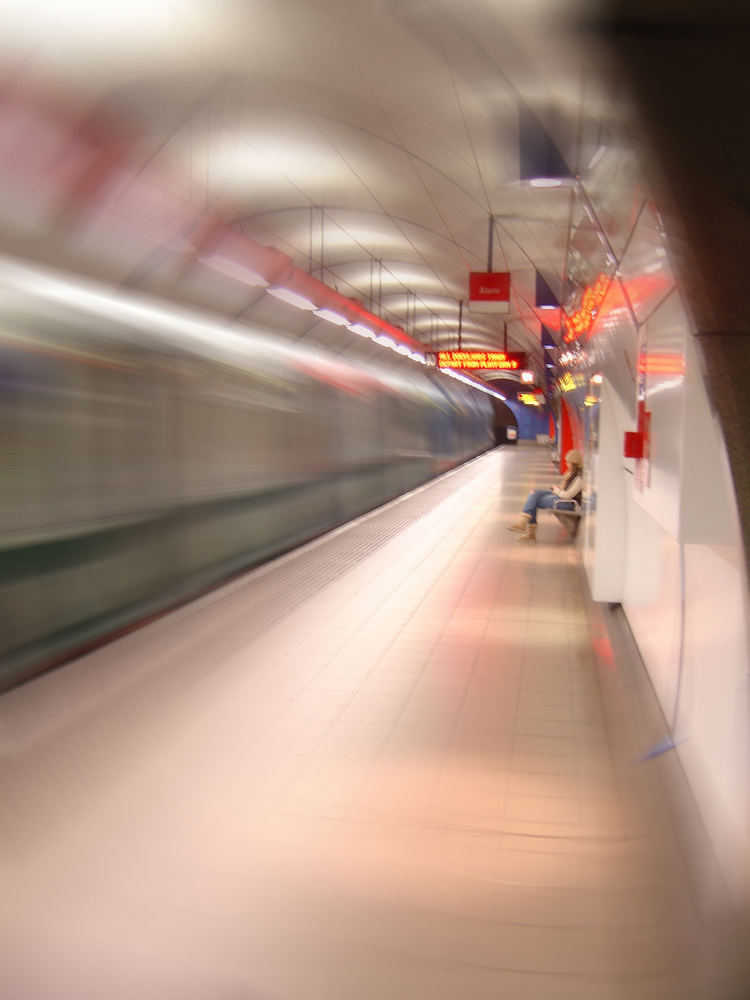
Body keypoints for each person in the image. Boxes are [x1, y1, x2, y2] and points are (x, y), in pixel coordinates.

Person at [507, 449, 583, 542]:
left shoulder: (580, 478)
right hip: (561, 496)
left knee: (534, 500)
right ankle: (524, 525)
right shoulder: (571, 474)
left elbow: (568, 495)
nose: (567, 465)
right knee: (534, 493)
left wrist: (556, 490)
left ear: (574, 464)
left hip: (568, 503)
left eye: (569, 463)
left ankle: (525, 527)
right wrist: (565, 480)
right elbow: (563, 489)